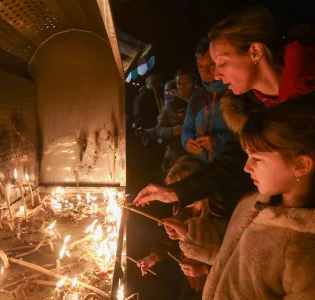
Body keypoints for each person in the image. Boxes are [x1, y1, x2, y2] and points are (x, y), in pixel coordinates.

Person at [133, 6, 315, 216]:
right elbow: (231, 162)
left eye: (222, 62)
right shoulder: (247, 109)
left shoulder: (305, 94)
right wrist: (175, 192)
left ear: (255, 52)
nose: (216, 74)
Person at [203, 92, 315, 299]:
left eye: (257, 159)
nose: (246, 167)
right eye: (247, 156)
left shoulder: (305, 250)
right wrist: (193, 241)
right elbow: (237, 259)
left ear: (301, 165)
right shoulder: (254, 203)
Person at [137, 156, 228, 300]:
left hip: (217, 281)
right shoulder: (182, 211)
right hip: (193, 280)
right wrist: (153, 257)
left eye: (179, 191)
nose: (178, 198)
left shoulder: (217, 211)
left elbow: (230, 254)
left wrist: (205, 269)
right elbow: (171, 241)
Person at [182, 38, 230, 163]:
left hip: (233, 168)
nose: (205, 71)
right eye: (200, 66)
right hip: (201, 167)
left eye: (210, 64)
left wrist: (218, 142)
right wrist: (187, 141)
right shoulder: (196, 98)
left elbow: (248, 133)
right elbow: (187, 127)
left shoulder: (236, 92)